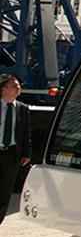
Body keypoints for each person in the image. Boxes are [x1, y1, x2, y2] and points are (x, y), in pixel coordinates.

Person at [0, 76, 32, 225]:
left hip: (11, 154)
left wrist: (26, 153)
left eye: (18, 85)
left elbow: (26, 133)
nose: (18, 88)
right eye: (14, 86)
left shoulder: (22, 108)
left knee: (5, 191)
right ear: (4, 89)